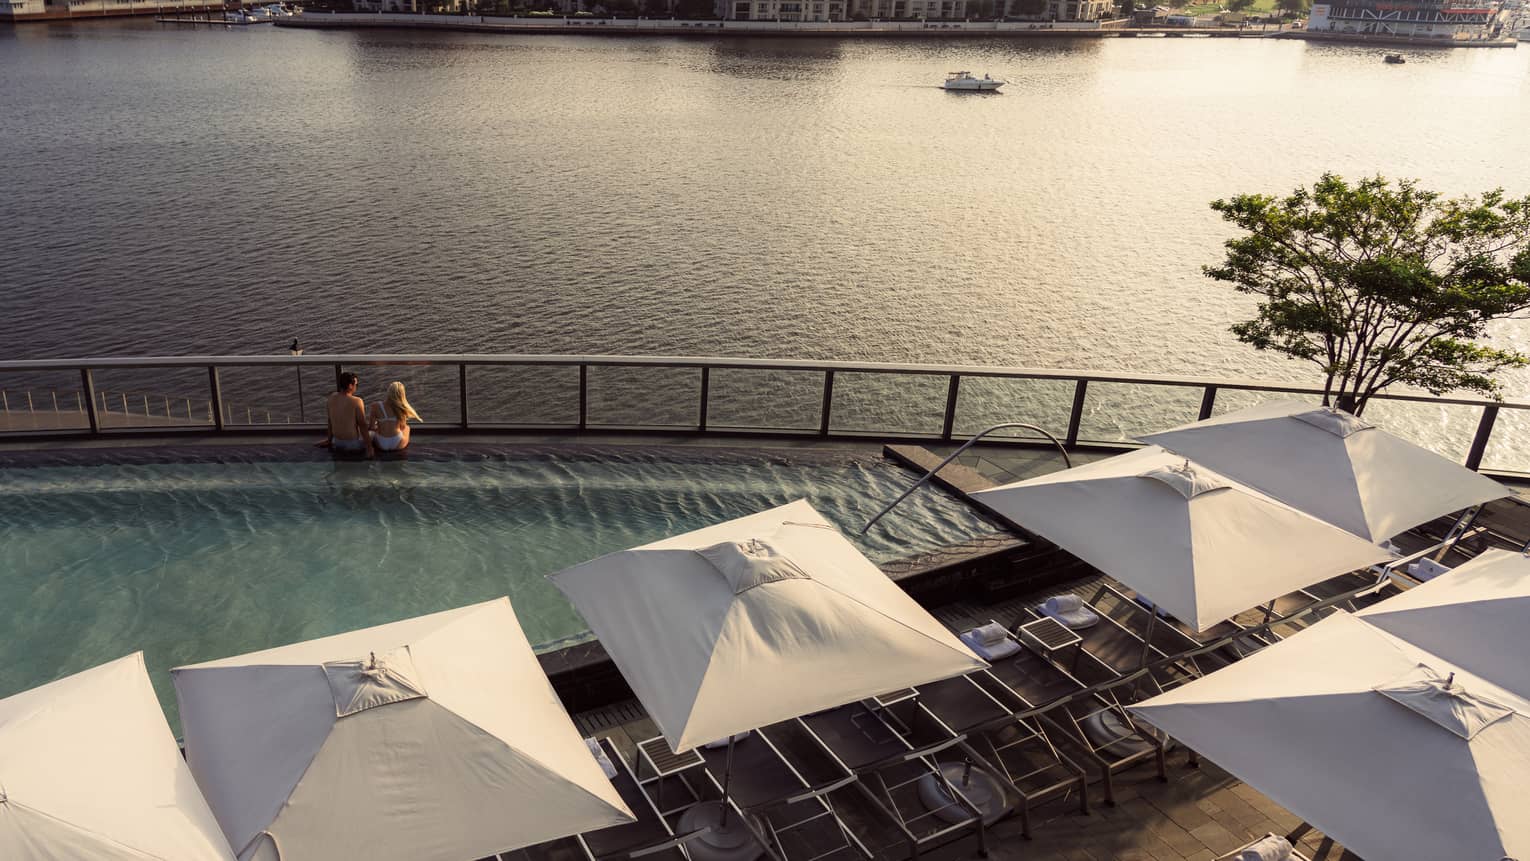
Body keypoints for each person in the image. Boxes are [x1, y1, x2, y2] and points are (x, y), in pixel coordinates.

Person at [326, 372, 373, 457]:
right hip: (353, 444)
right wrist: (369, 448)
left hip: (337, 442)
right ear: (350, 386)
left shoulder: (331, 398)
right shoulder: (357, 401)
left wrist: (329, 440)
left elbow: (330, 421)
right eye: (356, 384)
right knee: (373, 433)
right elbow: (362, 425)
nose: (356, 387)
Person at [368, 380, 421, 453]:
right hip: (397, 442)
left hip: (381, 443)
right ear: (402, 394)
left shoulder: (375, 406)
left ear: (389, 392)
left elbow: (371, 427)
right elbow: (402, 427)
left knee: (372, 433)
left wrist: (380, 427)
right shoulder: (401, 407)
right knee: (407, 428)